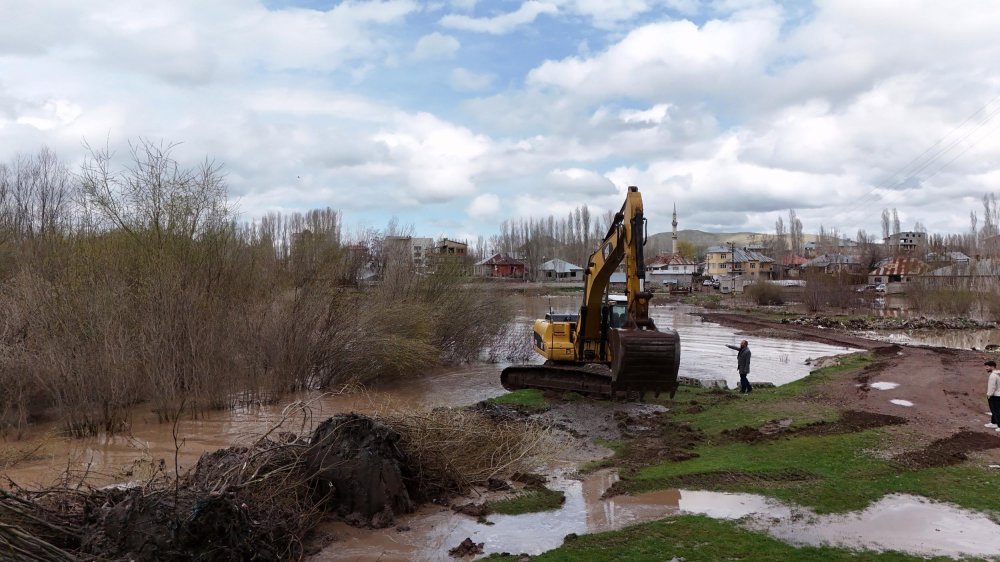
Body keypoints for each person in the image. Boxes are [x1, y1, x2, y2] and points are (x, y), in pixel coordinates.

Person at [986, 360, 1000, 431]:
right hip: (998, 395)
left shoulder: (993, 375)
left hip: (994, 396)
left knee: (996, 410)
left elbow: (992, 387)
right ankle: (993, 423)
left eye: (987, 367)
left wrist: (989, 395)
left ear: (992, 367)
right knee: (994, 410)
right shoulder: (998, 374)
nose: (986, 368)